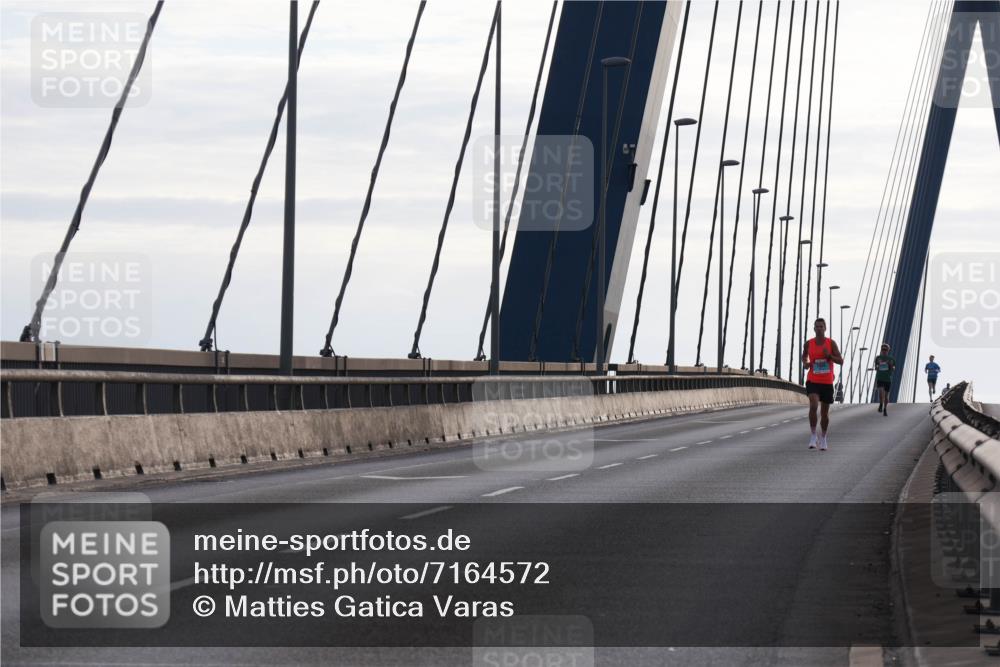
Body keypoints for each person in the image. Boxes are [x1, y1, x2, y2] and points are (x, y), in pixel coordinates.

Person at [801, 318, 843, 451]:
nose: (819, 329)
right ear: (814, 329)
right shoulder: (809, 343)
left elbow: (841, 361)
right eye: (817, 326)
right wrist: (806, 363)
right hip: (813, 380)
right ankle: (813, 435)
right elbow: (804, 356)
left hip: (827, 381)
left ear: (825, 328)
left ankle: (823, 437)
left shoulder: (831, 343)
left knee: (824, 413)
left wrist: (829, 356)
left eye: (821, 326)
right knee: (813, 405)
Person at [873, 343, 896, 416]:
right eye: (883, 349)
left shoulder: (891, 359)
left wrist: (891, 367)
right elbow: (876, 367)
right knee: (880, 392)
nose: (884, 351)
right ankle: (881, 404)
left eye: (885, 349)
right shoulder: (878, 358)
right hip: (880, 378)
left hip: (887, 379)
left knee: (886, 396)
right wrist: (877, 367)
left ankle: (885, 408)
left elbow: (894, 368)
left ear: (888, 350)